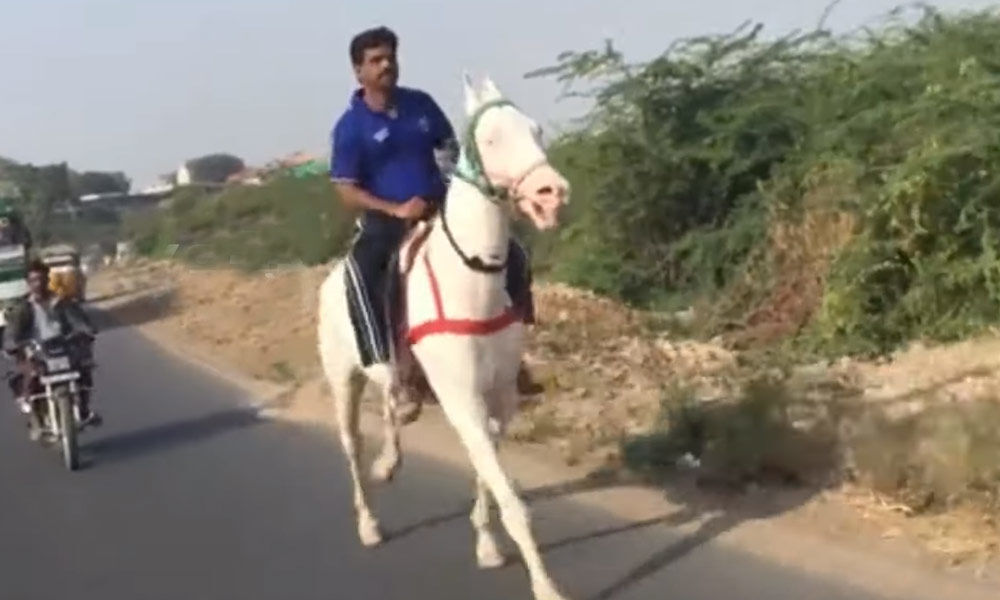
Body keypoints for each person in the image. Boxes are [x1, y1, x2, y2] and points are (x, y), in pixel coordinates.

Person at [330, 26, 540, 393]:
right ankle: (392, 367)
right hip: (387, 222)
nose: (386, 65)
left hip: (441, 209)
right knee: (363, 274)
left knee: (514, 254)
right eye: (376, 60)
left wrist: (448, 191)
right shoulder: (350, 127)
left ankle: (514, 355)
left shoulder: (421, 104)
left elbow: (450, 151)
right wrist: (395, 210)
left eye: (390, 57)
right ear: (358, 71)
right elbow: (346, 190)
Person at [4, 259, 100, 439]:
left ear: (48, 279)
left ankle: (85, 410)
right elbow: (12, 333)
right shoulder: (22, 308)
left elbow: (79, 321)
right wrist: (13, 344)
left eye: (41, 279)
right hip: (35, 352)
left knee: (84, 368)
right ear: (28, 283)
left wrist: (86, 331)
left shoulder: (61, 302)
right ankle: (36, 418)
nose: (38, 284)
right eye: (33, 280)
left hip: (62, 348)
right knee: (30, 377)